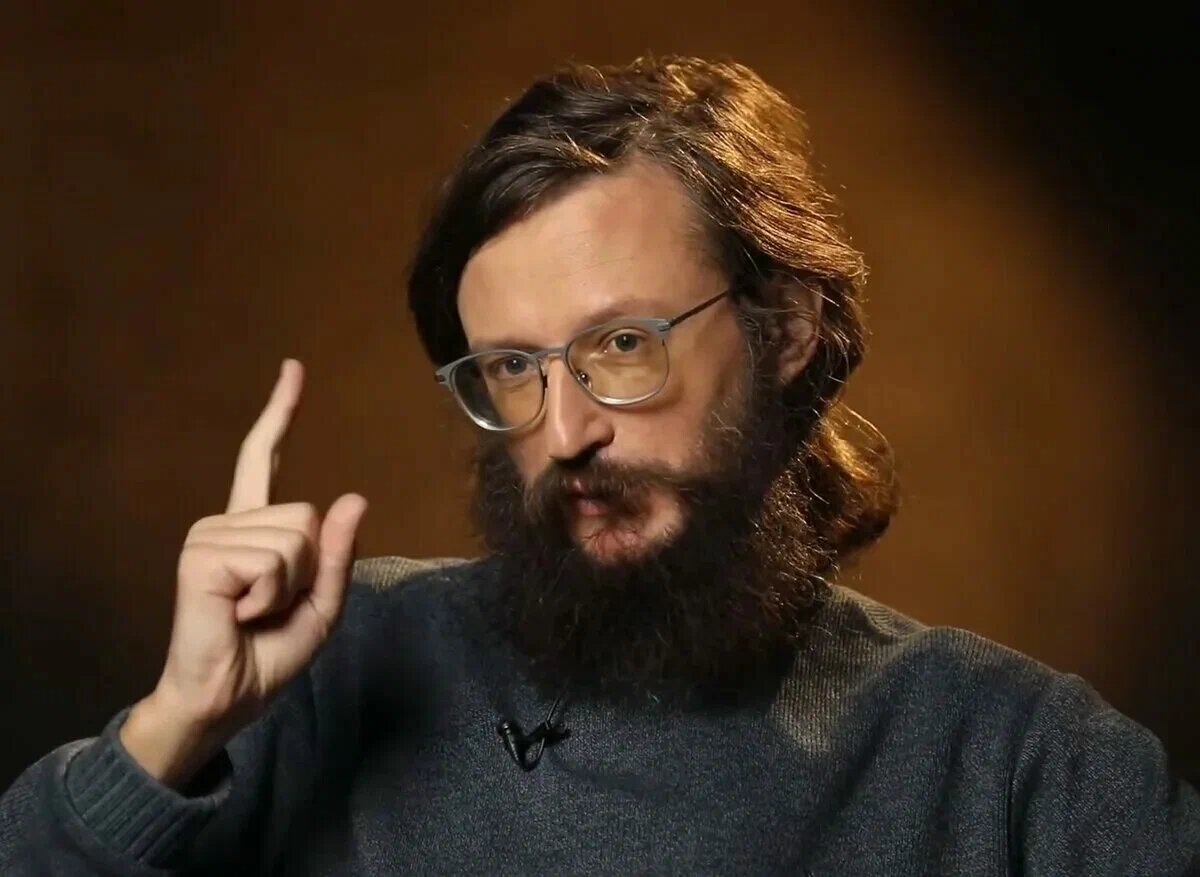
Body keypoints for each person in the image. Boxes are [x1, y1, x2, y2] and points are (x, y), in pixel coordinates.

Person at [1, 54, 1197, 876]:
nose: (566, 430)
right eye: (513, 368)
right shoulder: (327, 669)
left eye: (621, 344)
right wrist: (174, 725)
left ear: (784, 328)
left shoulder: (1012, 758)